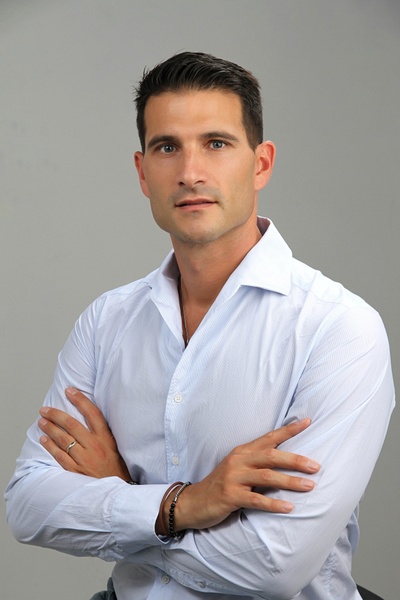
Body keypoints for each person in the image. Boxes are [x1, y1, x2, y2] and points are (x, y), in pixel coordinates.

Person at [5, 52, 395, 600]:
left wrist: (124, 502)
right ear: (143, 172)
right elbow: (27, 506)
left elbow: (273, 568)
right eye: (167, 147)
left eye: (216, 143)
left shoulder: (338, 329)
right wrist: (183, 505)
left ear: (261, 164)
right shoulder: (106, 322)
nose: (190, 172)